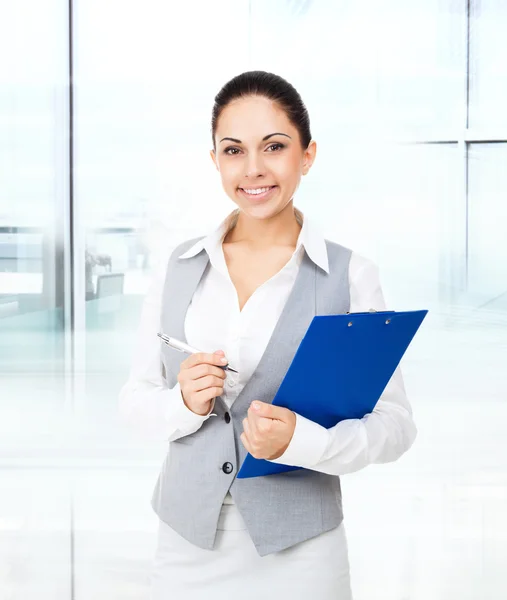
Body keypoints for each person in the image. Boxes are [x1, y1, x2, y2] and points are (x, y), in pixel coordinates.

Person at [118, 70, 417, 600]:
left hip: (301, 552)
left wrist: (304, 442)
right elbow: (136, 400)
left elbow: (394, 426)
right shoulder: (180, 267)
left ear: (307, 155)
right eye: (233, 151)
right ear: (214, 160)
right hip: (187, 544)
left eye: (274, 147)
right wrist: (184, 404)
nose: (253, 169)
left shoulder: (350, 275)